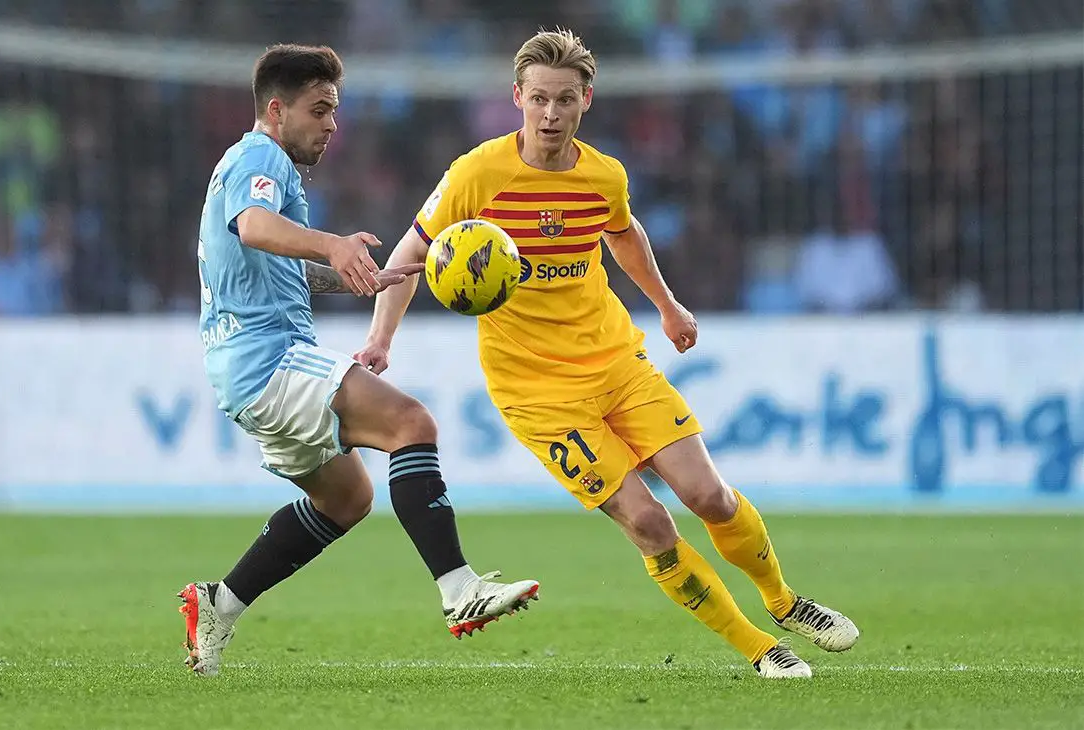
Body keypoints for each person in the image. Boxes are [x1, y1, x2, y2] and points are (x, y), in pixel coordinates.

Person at [357, 29, 858, 679]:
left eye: (565, 99)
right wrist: (380, 338)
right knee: (649, 523)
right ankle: (760, 647)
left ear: (585, 100)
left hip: (617, 363)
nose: (550, 114)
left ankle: (784, 602)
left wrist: (667, 304)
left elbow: (623, 234)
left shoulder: (602, 174)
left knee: (711, 498)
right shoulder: (475, 175)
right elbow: (410, 256)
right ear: (517, 97)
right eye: (538, 98)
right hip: (537, 394)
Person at [179, 43, 539, 678]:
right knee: (412, 424)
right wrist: (333, 245)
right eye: (320, 110)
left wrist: (356, 277)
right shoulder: (259, 156)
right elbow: (255, 228)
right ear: (276, 108)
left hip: (247, 369)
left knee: (346, 500)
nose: (331, 124)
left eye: (335, 111)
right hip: (267, 360)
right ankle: (460, 591)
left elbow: (269, 267)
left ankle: (219, 602)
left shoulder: (259, 167)